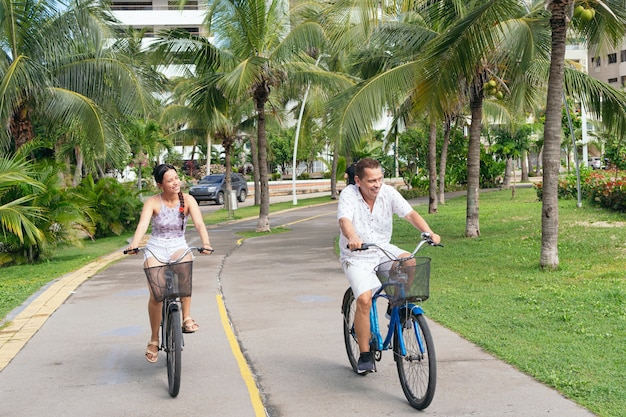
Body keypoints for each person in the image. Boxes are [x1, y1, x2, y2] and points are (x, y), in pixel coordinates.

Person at [337, 158, 441, 374]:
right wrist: (353, 236)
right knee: (364, 300)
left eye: (380, 179)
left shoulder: (388, 193)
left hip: (382, 248)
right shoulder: (349, 195)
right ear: (358, 180)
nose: (377, 184)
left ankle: (396, 305)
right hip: (356, 255)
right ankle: (365, 354)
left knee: (409, 261)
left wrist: (429, 231)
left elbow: (409, 213)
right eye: (371, 180)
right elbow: (344, 220)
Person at [127, 163, 213, 363]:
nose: (175, 183)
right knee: (157, 295)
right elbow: (143, 224)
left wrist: (206, 243)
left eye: (176, 178)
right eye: (169, 180)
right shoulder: (153, 202)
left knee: (186, 267)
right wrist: (134, 244)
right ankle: (154, 339)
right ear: (160, 185)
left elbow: (199, 224)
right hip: (156, 247)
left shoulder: (189, 200)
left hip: (177, 245)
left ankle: (186, 318)